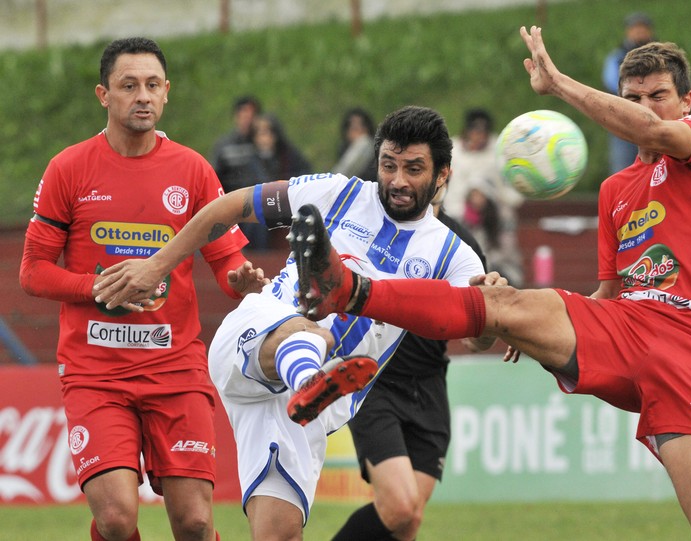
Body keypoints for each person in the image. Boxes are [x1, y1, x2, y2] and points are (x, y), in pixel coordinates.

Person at [290, 27, 691, 540]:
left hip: (687, 345)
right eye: (633, 98)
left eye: (658, 96)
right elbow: (609, 296)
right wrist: (533, 330)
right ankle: (347, 289)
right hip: (629, 328)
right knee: (499, 301)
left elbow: (655, 132)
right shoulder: (616, 189)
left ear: (687, 101)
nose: (645, 109)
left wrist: (558, 85)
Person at [92, 105, 498, 540]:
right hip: (256, 336)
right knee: (311, 329)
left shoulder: (454, 256)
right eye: (388, 165)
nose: (397, 180)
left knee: (277, 534)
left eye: (414, 169)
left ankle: (310, 378)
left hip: (300, 416)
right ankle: (309, 373)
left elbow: (477, 340)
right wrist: (157, 266)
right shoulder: (337, 192)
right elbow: (227, 207)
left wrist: (490, 311)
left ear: (442, 174)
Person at [18, 37, 267, 541]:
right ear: (103, 95)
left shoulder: (193, 170)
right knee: (115, 519)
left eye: (152, 85)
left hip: (175, 367)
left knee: (195, 524)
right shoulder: (69, 168)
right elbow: (33, 271)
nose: (142, 96)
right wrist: (99, 288)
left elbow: (226, 262)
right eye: (128, 86)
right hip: (95, 373)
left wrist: (241, 279)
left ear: (167, 92)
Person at [332, 180, 486, 540]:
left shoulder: (459, 245)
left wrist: (499, 329)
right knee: (399, 506)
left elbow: (476, 336)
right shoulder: (375, 225)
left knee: (408, 520)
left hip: (429, 385)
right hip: (375, 380)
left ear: (443, 175)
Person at [447, 108, 524, 286]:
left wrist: (491, 201)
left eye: (483, 132)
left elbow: (511, 190)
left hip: (492, 216)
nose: (478, 136)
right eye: (474, 131)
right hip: (458, 215)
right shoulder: (453, 151)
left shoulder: (497, 152)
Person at [243, 112, 314, 250]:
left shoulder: (289, 155)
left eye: (266, 132)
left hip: (288, 201)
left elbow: (305, 176)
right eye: (258, 133)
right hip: (262, 203)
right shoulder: (251, 159)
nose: (263, 138)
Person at [602, 12, 655, 174]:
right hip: (623, 122)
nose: (639, 32)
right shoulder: (617, 57)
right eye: (635, 28)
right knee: (623, 171)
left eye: (642, 28)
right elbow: (611, 83)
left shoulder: (660, 55)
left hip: (654, 121)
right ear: (628, 31)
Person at [210, 95, 262, 193]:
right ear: (236, 116)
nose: (248, 120)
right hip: (233, 201)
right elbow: (215, 178)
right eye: (244, 115)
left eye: (252, 115)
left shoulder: (265, 143)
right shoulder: (224, 146)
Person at [332, 107, 377, 182]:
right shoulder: (343, 151)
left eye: (362, 126)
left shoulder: (378, 153)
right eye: (354, 128)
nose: (358, 131)